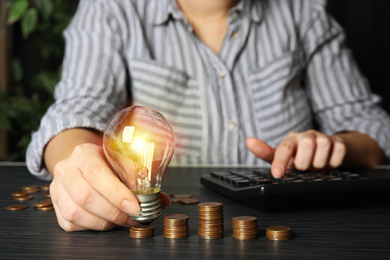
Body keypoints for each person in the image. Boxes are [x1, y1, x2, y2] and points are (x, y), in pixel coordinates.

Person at [26, 0, 390, 231]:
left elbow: (372, 127)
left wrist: (335, 146)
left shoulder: (303, 11)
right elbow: (74, 111)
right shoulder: (110, 9)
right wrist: (75, 160)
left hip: (296, 225)